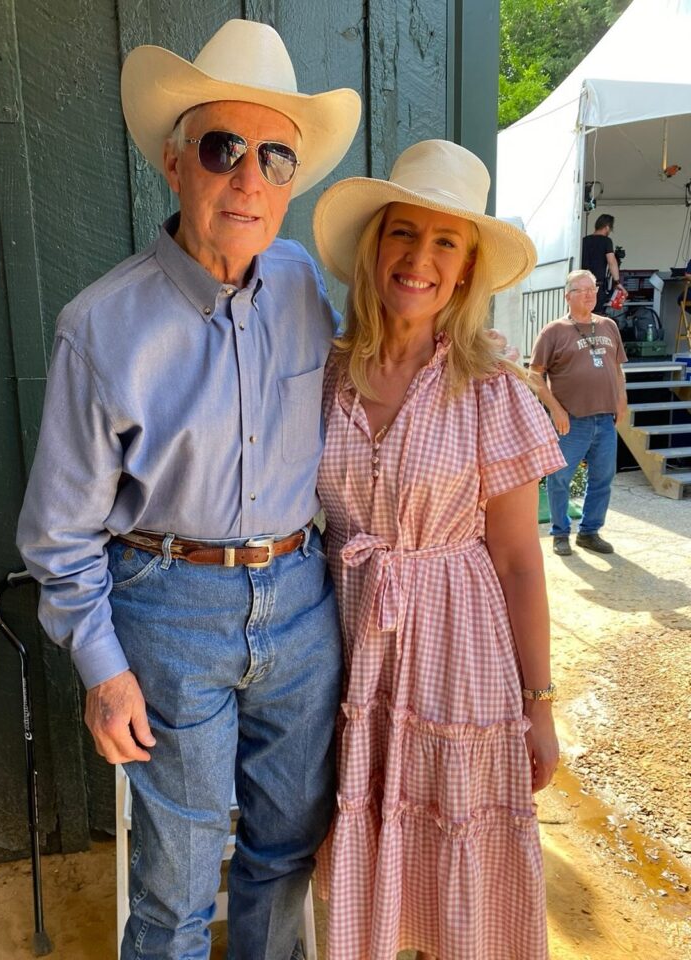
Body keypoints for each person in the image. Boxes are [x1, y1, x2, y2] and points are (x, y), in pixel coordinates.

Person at [16, 19, 361, 960]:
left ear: (294, 185)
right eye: (224, 148)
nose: (250, 178)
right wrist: (101, 667)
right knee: (175, 881)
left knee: (286, 851)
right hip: (167, 608)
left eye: (277, 157)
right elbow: (58, 533)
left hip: (301, 600)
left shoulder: (305, 289)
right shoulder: (101, 326)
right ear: (176, 165)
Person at [311, 140, 565, 960]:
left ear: (465, 272)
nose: (419, 258)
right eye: (403, 233)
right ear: (374, 248)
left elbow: (521, 561)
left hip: (458, 653)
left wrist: (540, 705)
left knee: (455, 856)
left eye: (445, 242)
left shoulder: (489, 386)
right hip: (347, 646)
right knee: (365, 835)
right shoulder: (324, 373)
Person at [529, 269, 628, 557]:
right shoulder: (554, 331)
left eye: (593, 289)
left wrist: (622, 400)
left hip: (605, 420)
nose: (589, 294)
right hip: (571, 422)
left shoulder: (608, 325)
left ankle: (590, 532)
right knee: (560, 478)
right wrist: (555, 409)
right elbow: (535, 375)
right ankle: (560, 533)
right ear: (567, 296)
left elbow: (618, 369)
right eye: (582, 290)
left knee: (603, 478)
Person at [581, 213, 625, 314]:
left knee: (582, 314)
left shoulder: (584, 241)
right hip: (597, 284)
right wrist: (617, 282)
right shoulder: (606, 241)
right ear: (607, 227)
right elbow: (611, 261)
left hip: (582, 283)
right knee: (596, 315)